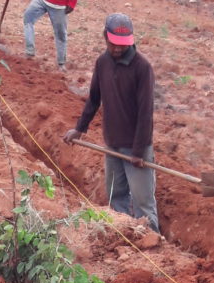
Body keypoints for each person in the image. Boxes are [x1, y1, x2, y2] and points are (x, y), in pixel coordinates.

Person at [63, 13, 159, 233]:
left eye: (123, 45)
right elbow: (94, 98)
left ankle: (157, 248)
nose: (117, 49)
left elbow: (146, 113)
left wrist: (138, 151)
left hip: (137, 147)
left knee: (143, 204)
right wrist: (79, 128)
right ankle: (122, 240)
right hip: (112, 143)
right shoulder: (102, 62)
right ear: (105, 36)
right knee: (116, 197)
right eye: (114, 44)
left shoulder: (142, 68)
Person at [23, 0, 77, 71]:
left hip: (59, 6)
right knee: (28, 18)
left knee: (60, 35)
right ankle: (29, 51)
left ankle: (61, 63)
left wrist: (72, 3)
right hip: (41, 1)